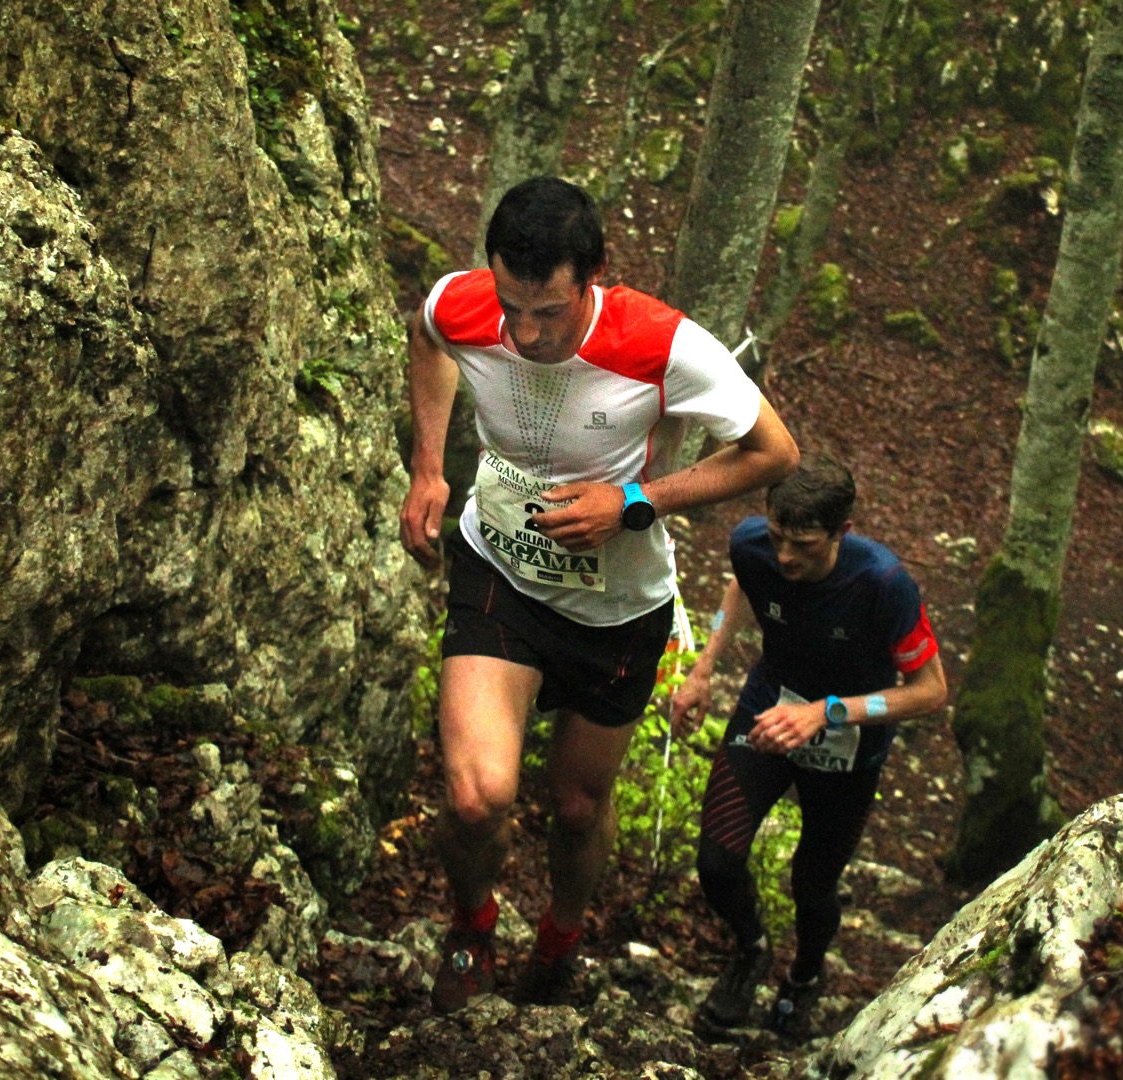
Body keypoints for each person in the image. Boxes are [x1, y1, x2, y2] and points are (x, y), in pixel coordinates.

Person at [399, 176, 798, 1013]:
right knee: (478, 797)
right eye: (514, 307)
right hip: (499, 570)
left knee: (578, 806)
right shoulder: (467, 305)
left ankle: (562, 935)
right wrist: (429, 466)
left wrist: (634, 503)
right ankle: (473, 924)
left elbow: (773, 453)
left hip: (616, 608)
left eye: (548, 312)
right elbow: (428, 335)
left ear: (594, 277)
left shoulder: (663, 345)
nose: (526, 332)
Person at [669, 454, 947, 1037]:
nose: (786, 557)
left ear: (843, 532)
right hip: (769, 706)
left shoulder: (883, 583)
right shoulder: (753, 545)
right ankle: (751, 950)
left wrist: (828, 713)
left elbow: (930, 692)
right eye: (777, 538)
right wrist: (705, 669)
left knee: (812, 883)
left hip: (847, 741)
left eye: (804, 545)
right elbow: (743, 584)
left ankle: (804, 976)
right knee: (717, 860)